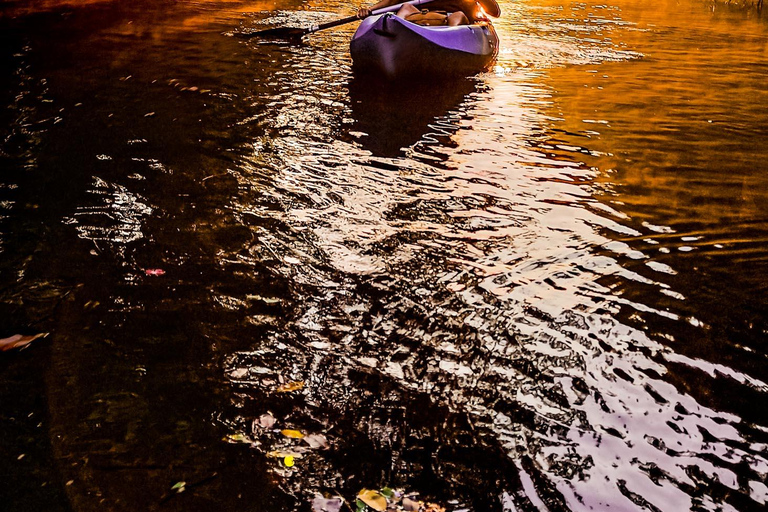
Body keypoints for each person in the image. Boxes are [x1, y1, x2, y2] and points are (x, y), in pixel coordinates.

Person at [357, 0, 477, 27]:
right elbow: (391, 1)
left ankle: (451, 44)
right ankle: (396, 29)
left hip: (449, 16)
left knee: (459, 16)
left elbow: (494, 11)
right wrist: (370, 10)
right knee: (406, 7)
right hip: (418, 15)